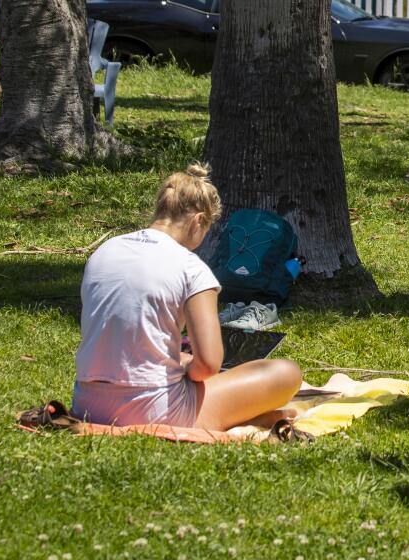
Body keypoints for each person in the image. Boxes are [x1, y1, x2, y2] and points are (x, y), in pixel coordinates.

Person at [71, 165, 302, 430]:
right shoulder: (191, 267)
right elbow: (207, 365)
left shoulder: (105, 251)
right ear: (198, 221)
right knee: (286, 373)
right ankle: (236, 417)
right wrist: (188, 367)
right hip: (153, 410)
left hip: (87, 404)